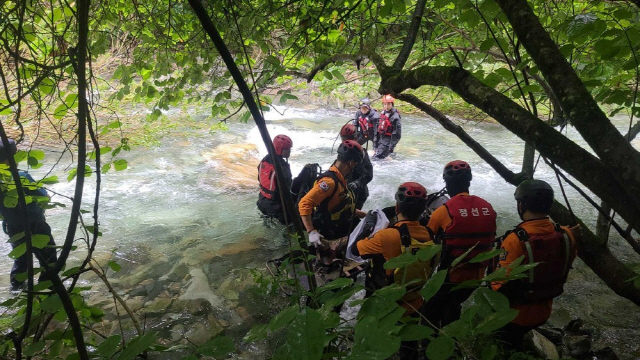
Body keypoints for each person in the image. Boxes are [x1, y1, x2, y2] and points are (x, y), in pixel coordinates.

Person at [351, 182, 436, 359]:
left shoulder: (388, 236)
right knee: (409, 346)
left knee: (372, 342)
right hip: (414, 300)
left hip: (385, 302)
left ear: (397, 206)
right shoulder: (430, 235)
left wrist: (369, 226)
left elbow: (357, 249)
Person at [492, 179, 578, 349]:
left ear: (522, 205)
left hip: (516, 317)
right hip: (545, 310)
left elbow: (499, 288)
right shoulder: (567, 234)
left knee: (502, 343)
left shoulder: (515, 240)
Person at [424, 160, 497, 328]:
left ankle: (431, 348)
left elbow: (426, 243)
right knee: (453, 305)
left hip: (451, 276)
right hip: (478, 276)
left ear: (446, 182)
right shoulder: (488, 207)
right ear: (469, 181)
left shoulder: (444, 210)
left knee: (429, 312)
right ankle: (453, 342)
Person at [0, 139, 57, 290]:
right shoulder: (22, 177)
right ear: (9, 159)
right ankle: (48, 286)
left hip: (12, 227)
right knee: (48, 257)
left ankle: (17, 288)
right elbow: (44, 196)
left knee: (21, 259)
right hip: (36, 225)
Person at [298, 140, 366, 267]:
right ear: (351, 163)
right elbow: (304, 203)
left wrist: (365, 215)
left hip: (338, 225)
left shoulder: (341, 179)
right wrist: (311, 231)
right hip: (328, 230)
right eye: (355, 163)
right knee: (327, 264)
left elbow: (341, 207)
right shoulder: (329, 183)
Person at [257, 134, 293, 224]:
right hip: (275, 206)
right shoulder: (283, 167)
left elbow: (259, 177)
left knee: (268, 224)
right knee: (289, 224)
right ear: (279, 149)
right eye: (287, 149)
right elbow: (288, 188)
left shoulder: (265, 159)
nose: (289, 152)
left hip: (262, 200)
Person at [339, 124, 373, 209]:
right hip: (344, 191)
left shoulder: (362, 154)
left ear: (355, 138)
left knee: (353, 216)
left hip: (358, 193)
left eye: (348, 139)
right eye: (344, 139)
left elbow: (369, 174)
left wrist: (357, 183)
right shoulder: (343, 150)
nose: (346, 142)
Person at [373, 94, 401, 160]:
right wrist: (375, 143)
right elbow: (377, 128)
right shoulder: (383, 113)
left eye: (388, 104)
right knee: (379, 156)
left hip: (388, 141)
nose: (386, 106)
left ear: (392, 104)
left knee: (376, 158)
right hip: (381, 138)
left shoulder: (395, 117)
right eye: (385, 104)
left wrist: (391, 146)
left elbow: (397, 134)